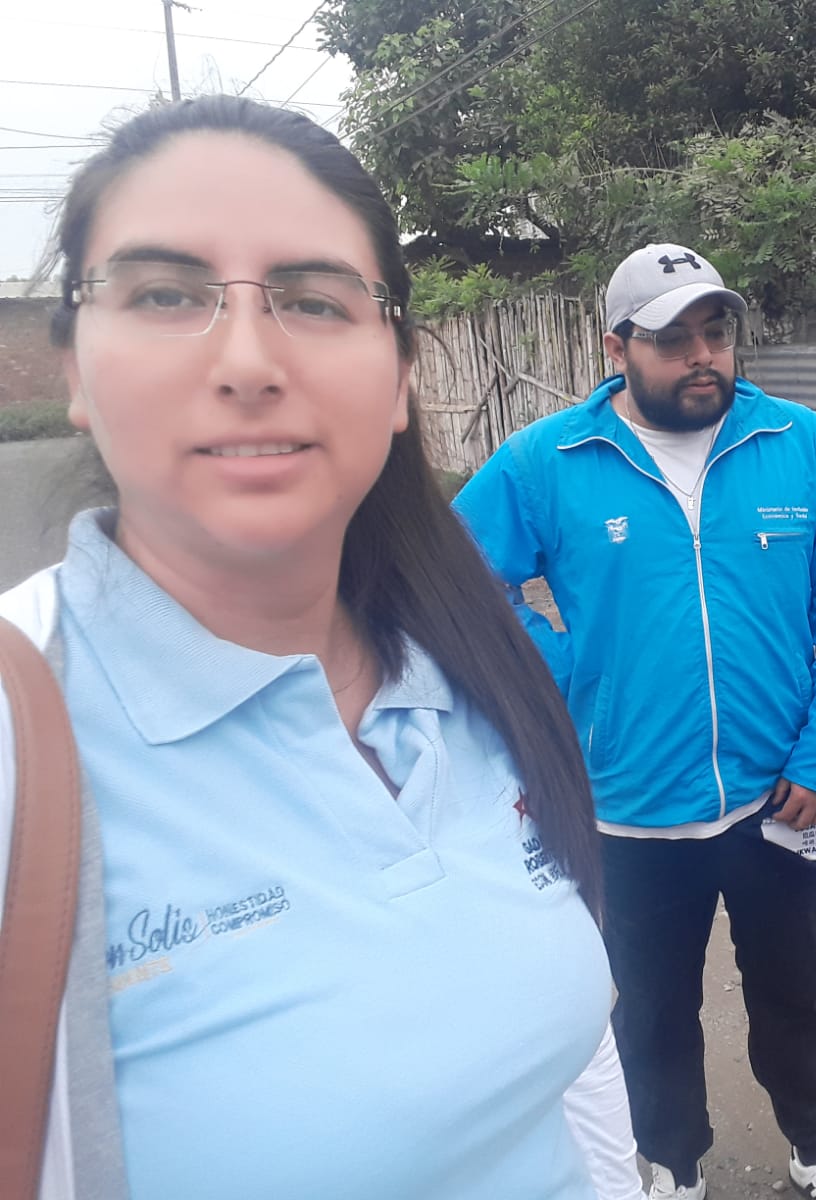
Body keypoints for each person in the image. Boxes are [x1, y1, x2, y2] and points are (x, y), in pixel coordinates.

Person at [0, 96, 645, 1200]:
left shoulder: (470, 666)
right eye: (165, 294)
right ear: (72, 369)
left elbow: (568, 1051)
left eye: (312, 300)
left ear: (399, 377)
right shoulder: (24, 745)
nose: (248, 361)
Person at [454, 244, 816, 1200]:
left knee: (794, 987)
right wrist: (566, 676)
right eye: (673, 339)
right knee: (650, 1009)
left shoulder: (800, 443)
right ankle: (675, 1164)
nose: (702, 356)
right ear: (617, 349)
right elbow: (461, 577)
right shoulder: (549, 461)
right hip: (631, 807)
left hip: (779, 798)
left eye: (716, 332)